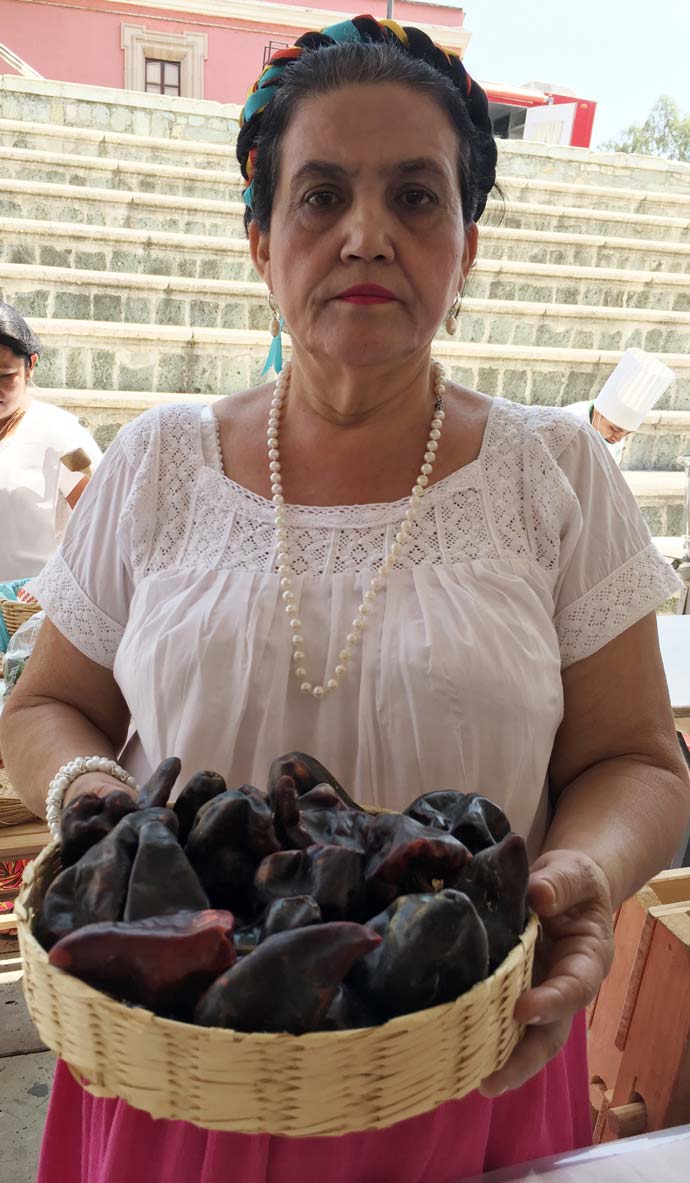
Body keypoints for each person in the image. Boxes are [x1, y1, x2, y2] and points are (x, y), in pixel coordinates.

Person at [2, 17, 689, 1183]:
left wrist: (575, 881)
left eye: (417, 198)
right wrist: (108, 809)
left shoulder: (556, 475)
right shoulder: (157, 463)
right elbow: (46, 706)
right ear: (260, 239)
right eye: (321, 195)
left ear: (466, 247)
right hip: (183, 1065)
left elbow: (638, 762)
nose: (367, 233)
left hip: (461, 1057)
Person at [0, 303, 102, 581]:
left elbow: (101, 517)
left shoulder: (63, 438)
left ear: (30, 366)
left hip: (23, 610)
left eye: (5, 377)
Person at [567, 347, 675, 465]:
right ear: (598, 412)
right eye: (614, 429)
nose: (618, 438)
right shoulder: (569, 421)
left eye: (626, 433)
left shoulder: (614, 436)